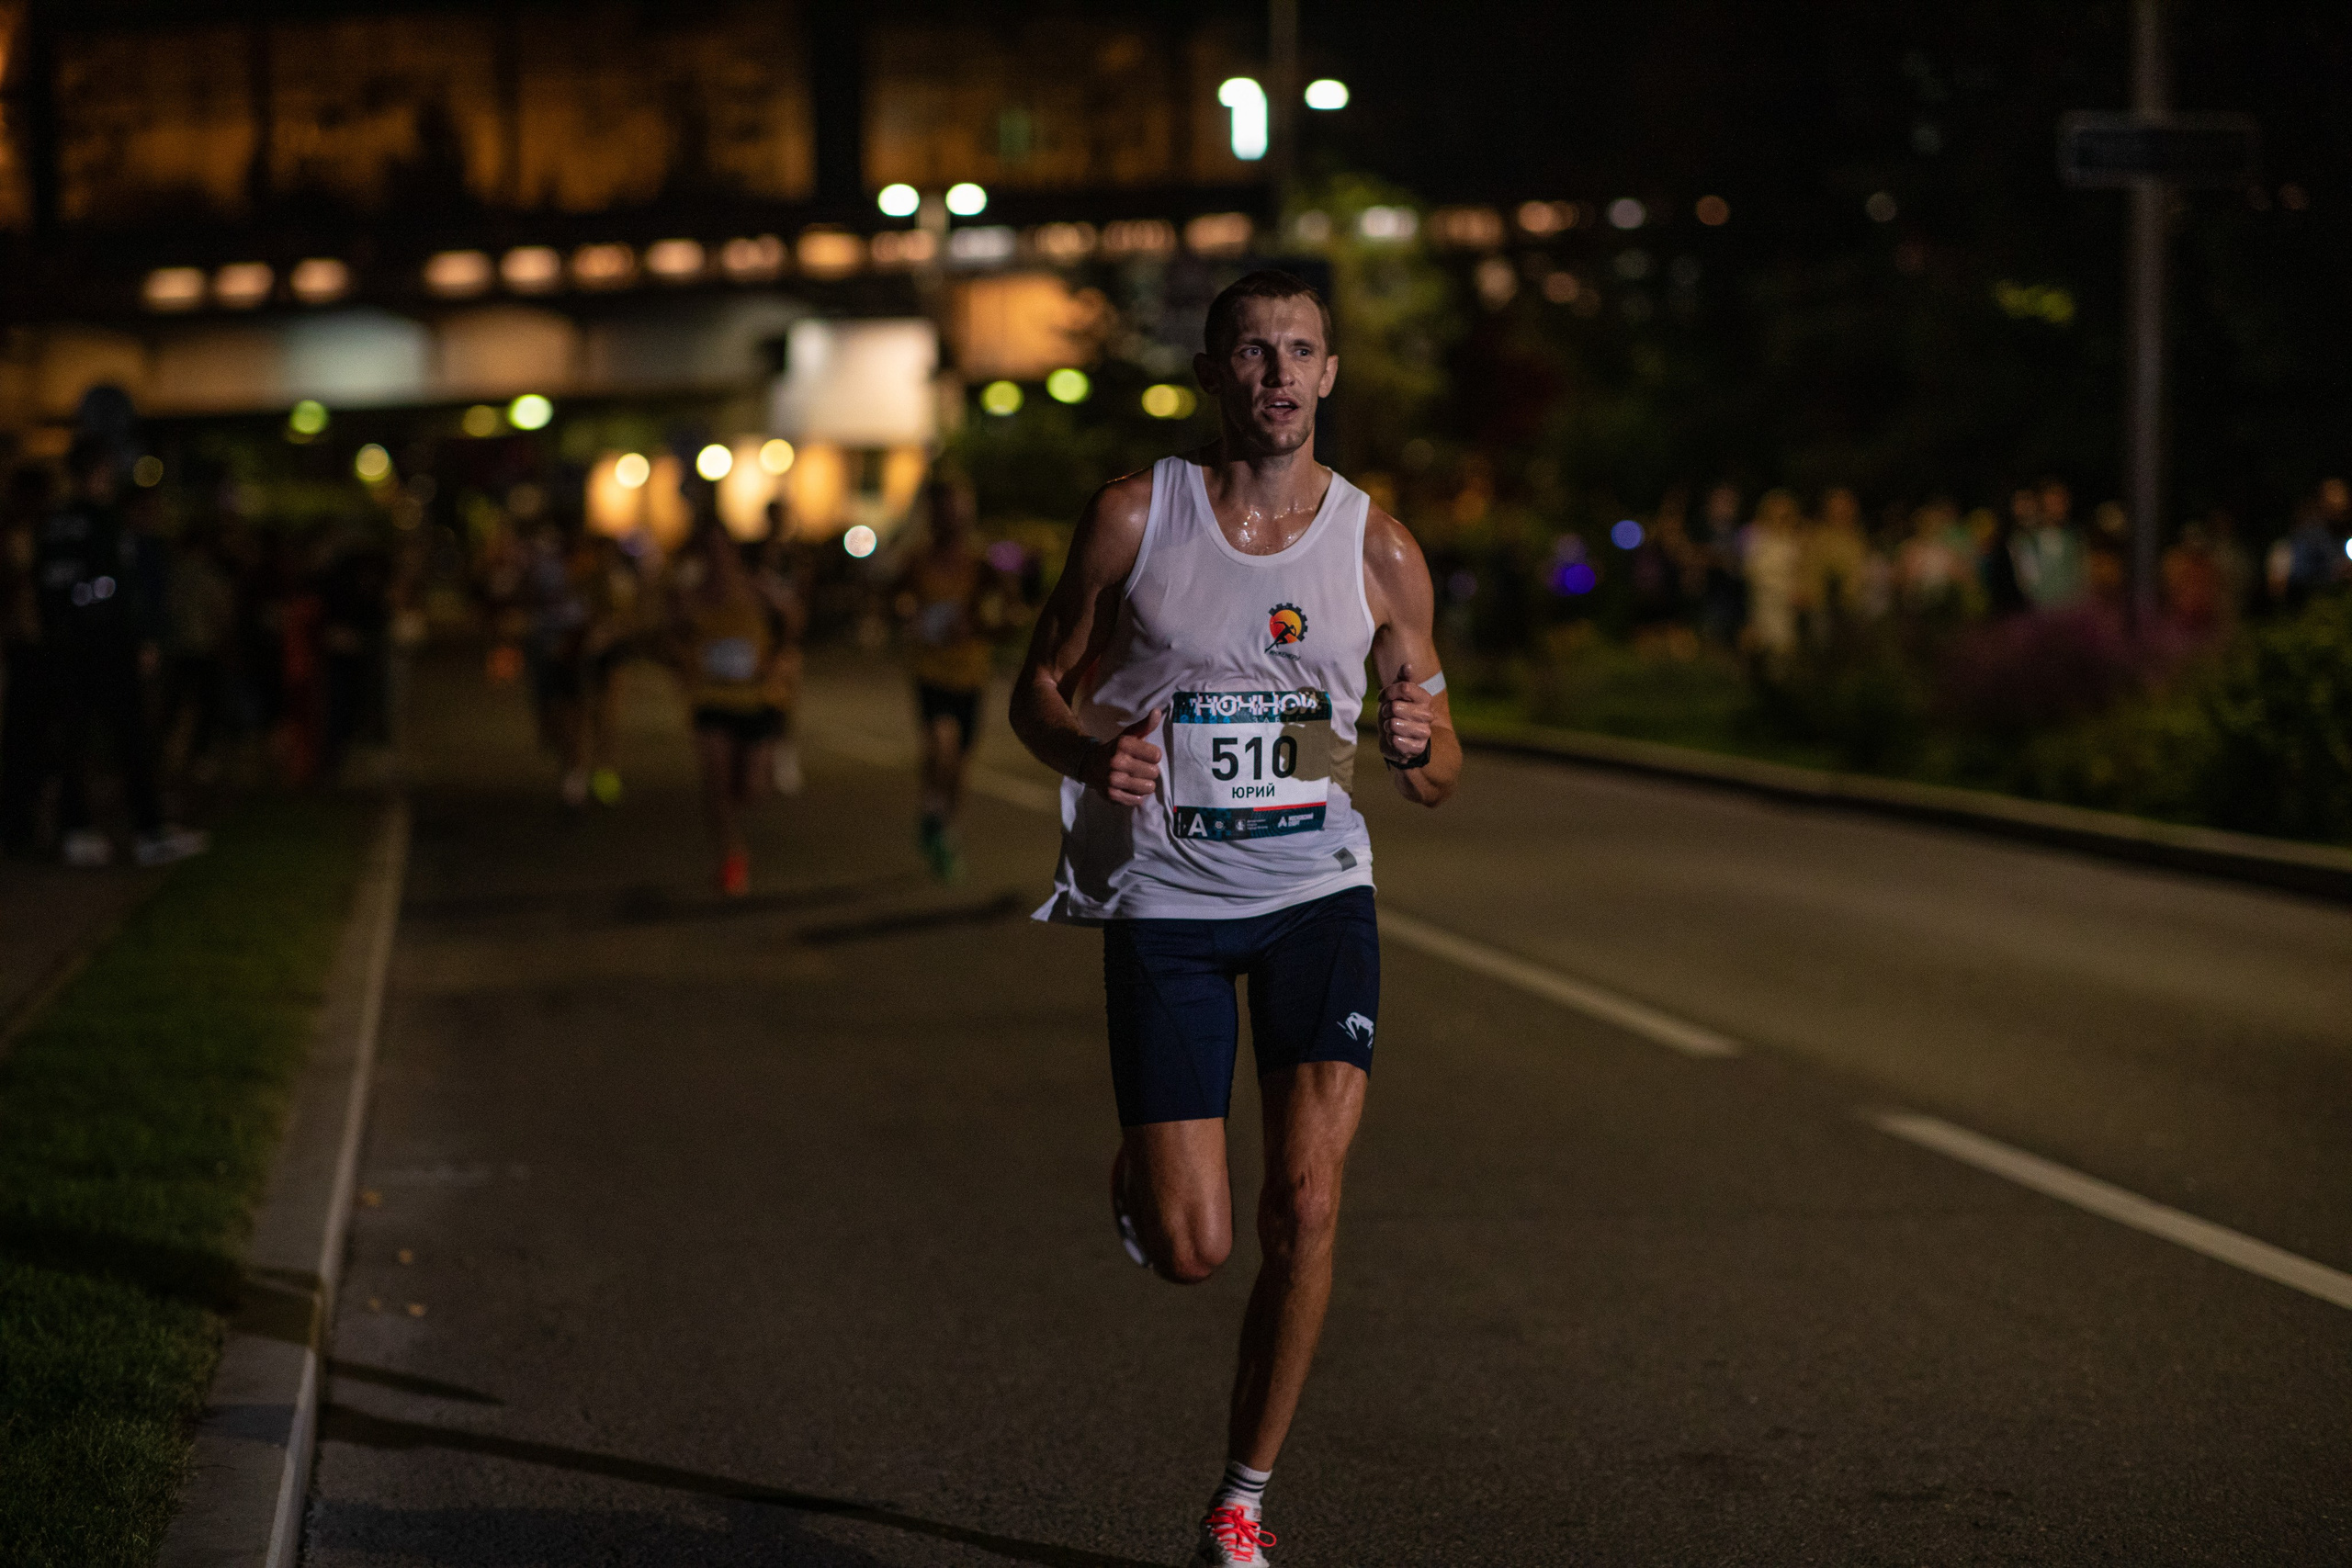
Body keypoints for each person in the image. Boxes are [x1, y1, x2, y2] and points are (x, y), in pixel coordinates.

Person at [1011, 269, 1461, 1567]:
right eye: (1253, 352)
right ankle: (1148, 1183)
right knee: (1196, 1247)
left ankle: (1240, 1501)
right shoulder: (1132, 518)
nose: (1276, 374)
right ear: (1215, 374)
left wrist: (1422, 737)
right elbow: (1038, 689)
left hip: (1319, 890)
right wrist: (1090, 750)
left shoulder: (1379, 548)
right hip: (1166, 900)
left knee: (1306, 1202)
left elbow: (1435, 770)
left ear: (1330, 376)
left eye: (1300, 352)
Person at [34, 437, 204, 866]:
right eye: (107, 471)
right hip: (106, 646)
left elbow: (49, 587)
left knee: (78, 738)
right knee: (128, 737)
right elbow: (114, 588)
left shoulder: (55, 522)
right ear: (95, 472)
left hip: (68, 646)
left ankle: (80, 830)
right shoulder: (101, 522)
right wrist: (136, 637)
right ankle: (144, 831)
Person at [668, 509, 795, 896]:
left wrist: (776, 660)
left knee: (751, 789)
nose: (718, 557)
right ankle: (731, 854)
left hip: (755, 700)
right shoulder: (689, 595)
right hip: (711, 699)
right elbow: (670, 638)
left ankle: (733, 826)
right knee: (715, 779)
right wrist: (683, 663)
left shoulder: (757, 588)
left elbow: (793, 622)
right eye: (709, 550)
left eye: (723, 549)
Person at [892, 477, 1012, 881]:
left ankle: (943, 827)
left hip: (971, 674)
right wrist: (908, 616)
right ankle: (932, 813)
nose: (952, 517)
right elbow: (892, 602)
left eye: (958, 507)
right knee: (940, 744)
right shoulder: (918, 561)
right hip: (930, 670)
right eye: (944, 508)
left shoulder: (982, 566)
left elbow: (1007, 618)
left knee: (959, 764)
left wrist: (976, 626)